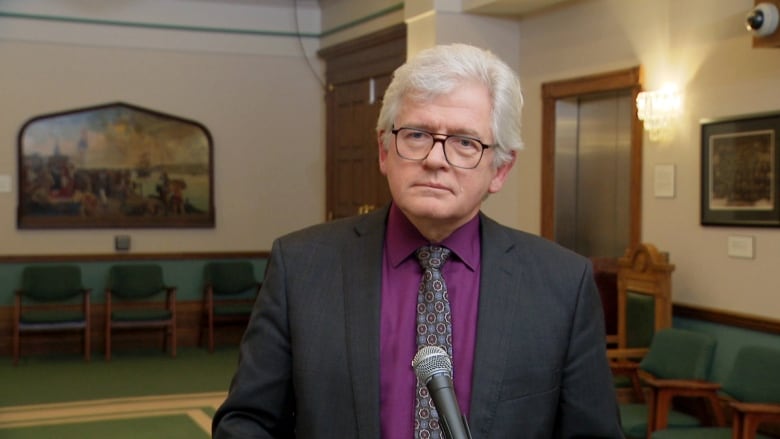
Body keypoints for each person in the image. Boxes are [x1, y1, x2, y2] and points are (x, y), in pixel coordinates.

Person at [213, 43, 623, 438]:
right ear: (384, 151)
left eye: (465, 142)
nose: (435, 159)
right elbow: (247, 422)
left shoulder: (562, 284)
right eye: (416, 135)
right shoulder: (301, 266)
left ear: (500, 169)